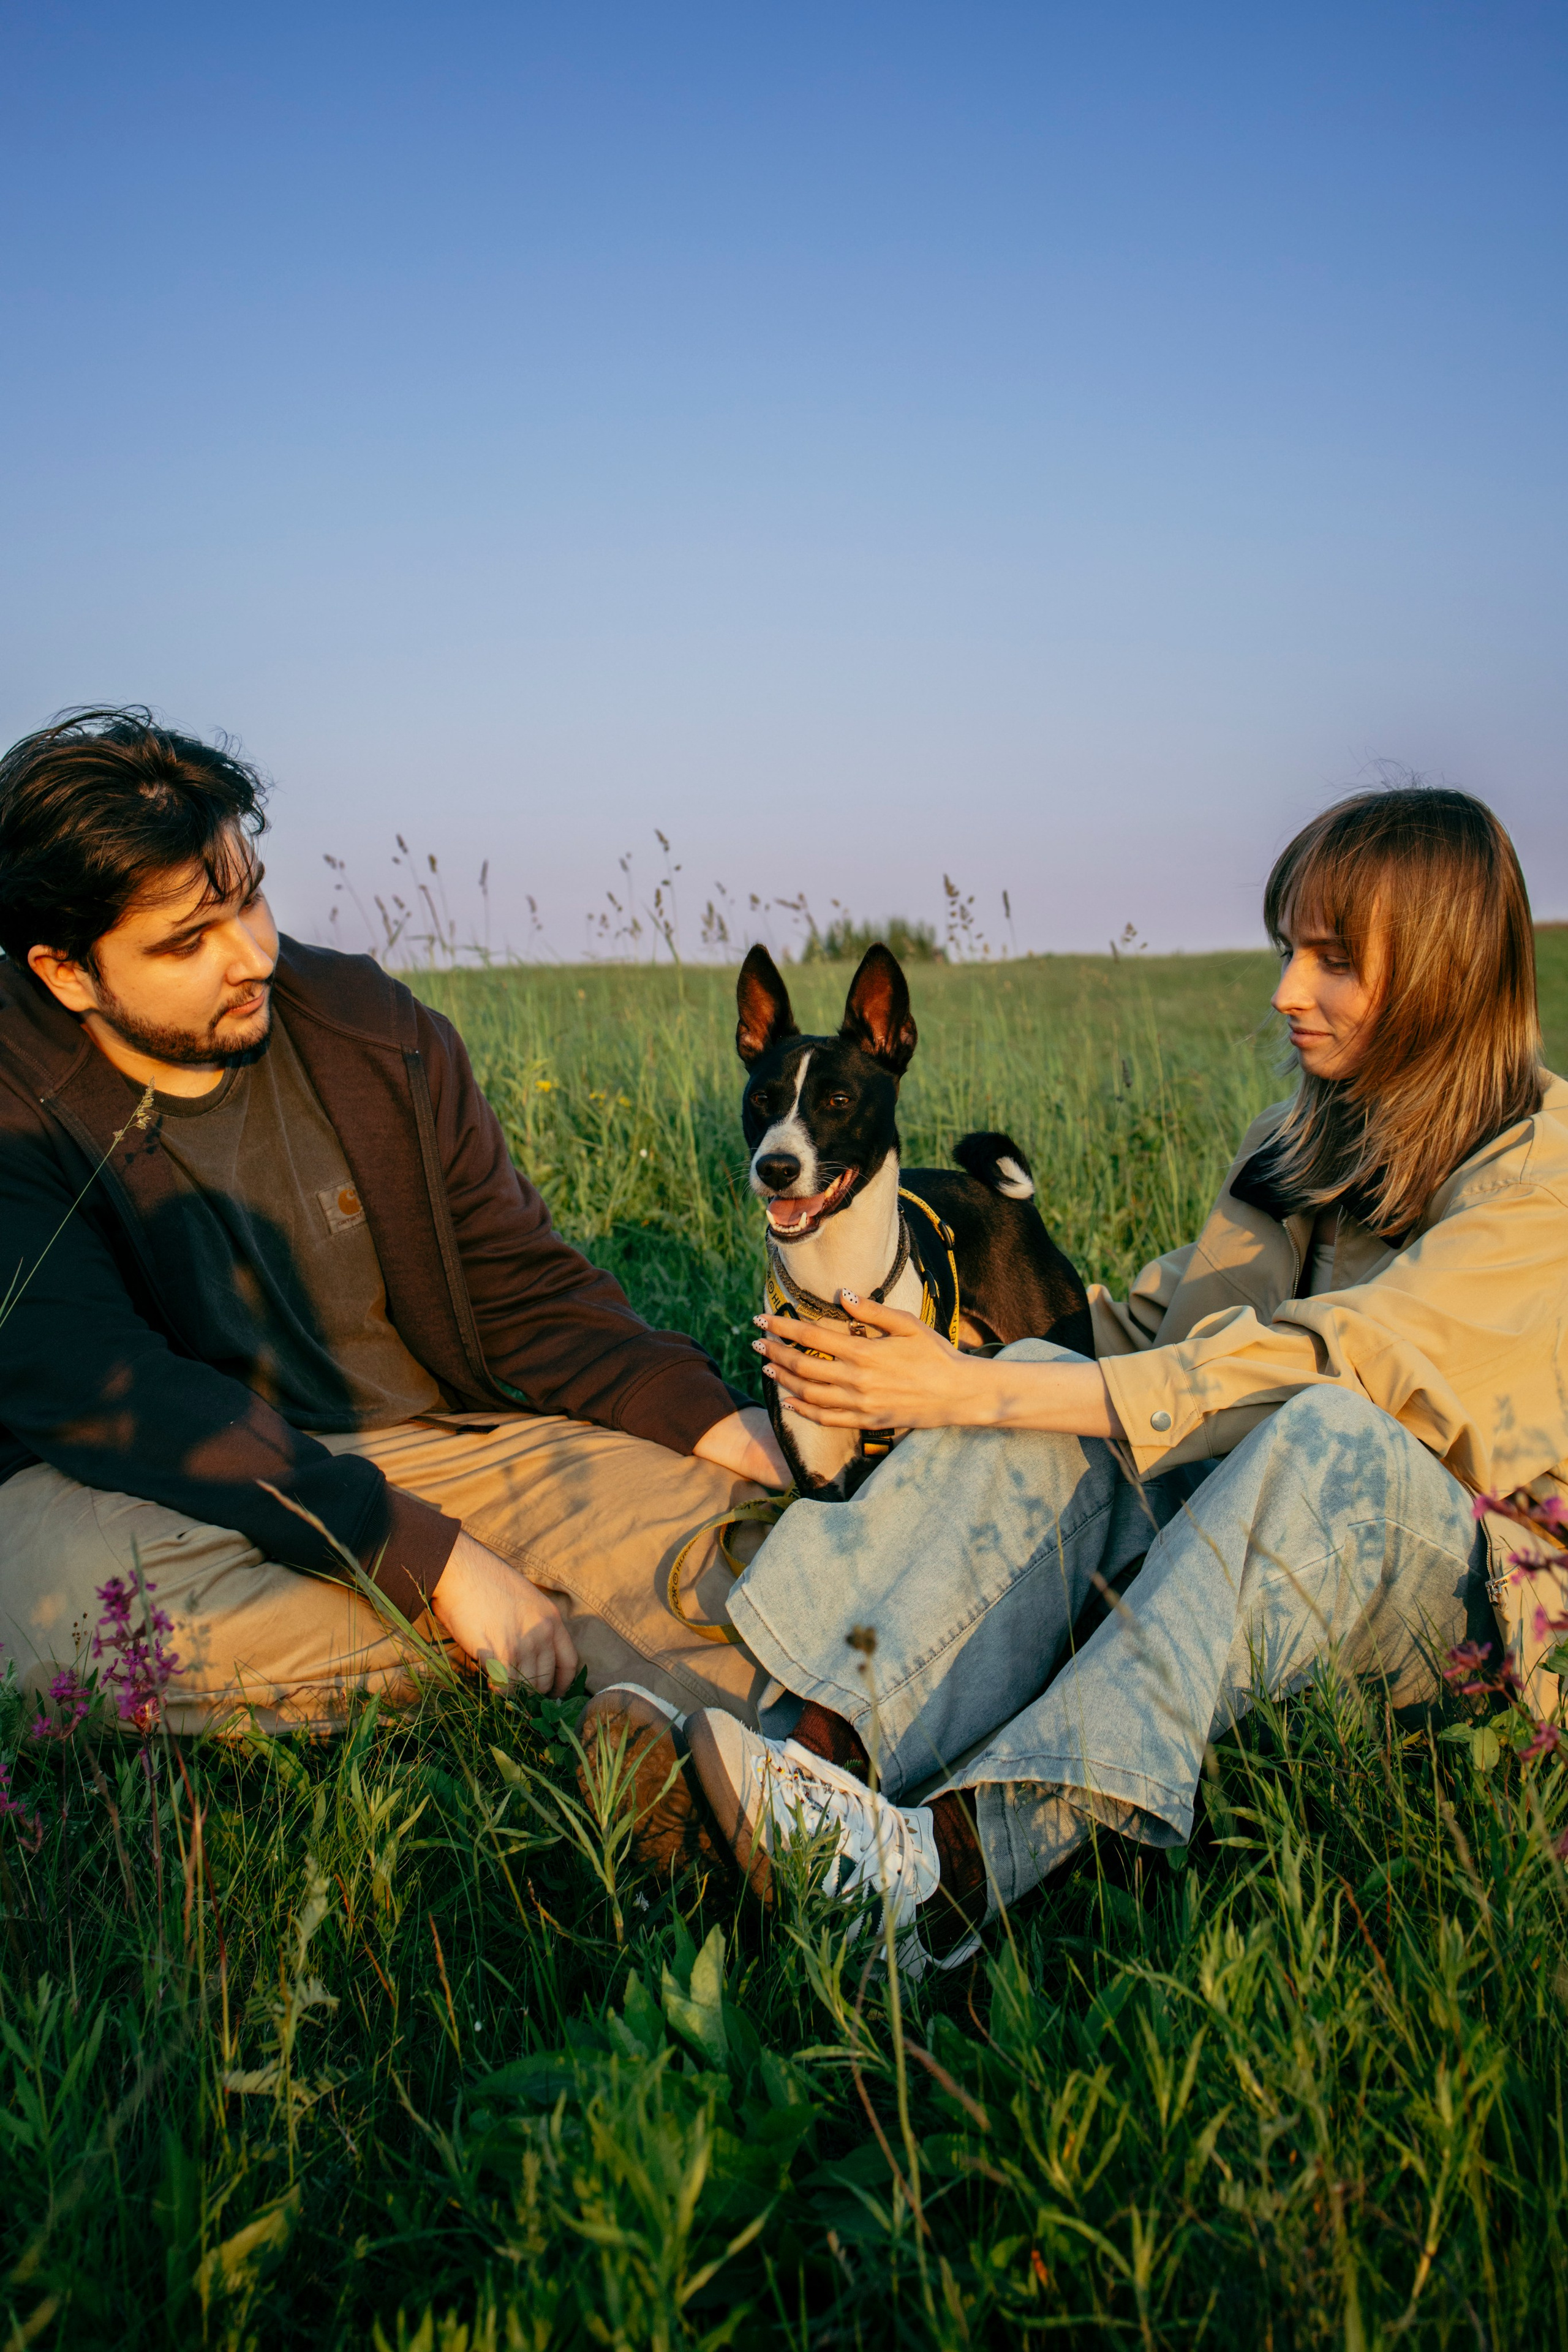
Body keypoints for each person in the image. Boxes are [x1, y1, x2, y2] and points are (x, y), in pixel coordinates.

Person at [588, 785, 1568, 1973]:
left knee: (1324, 1433)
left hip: (1474, 1632)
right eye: (1284, 951)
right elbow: (1160, 1339)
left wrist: (979, 1392)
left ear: (1444, 976)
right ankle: (802, 1759)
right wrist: (949, 1366)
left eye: (1332, 961)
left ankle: (943, 1876)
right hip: (1277, 1545)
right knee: (1048, 1365)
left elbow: (1344, 1369)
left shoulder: (1539, 1176)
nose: (1283, 992)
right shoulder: (1297, 1150)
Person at [0, 709, 788, 1735]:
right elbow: (111, 1393)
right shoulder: (17, 1104)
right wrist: (435, 1561)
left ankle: (781, 1771)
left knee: (732, 1547)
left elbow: (518, 1282)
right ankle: (561, 1655)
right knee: (77, 1611)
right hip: (152, 1481)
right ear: (67, 972)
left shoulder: (372, 1029)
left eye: (250, 901)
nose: (252, 956)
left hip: (430, 1448)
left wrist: (709, 1416)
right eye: (189, 941)